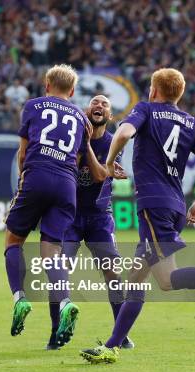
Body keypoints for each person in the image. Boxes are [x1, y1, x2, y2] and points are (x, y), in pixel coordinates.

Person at [80, 68, 195, 364]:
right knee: (137, 280)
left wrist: (108, 163)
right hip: (175, 206)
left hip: (154, 206)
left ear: (153, 90)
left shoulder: (146, 109)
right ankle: (113, 345)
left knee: (166, 280)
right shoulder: (193, 123)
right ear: (180, 93)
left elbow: (123, 132)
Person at [3, 64, 99, 346]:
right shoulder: (81, 118)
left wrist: (24, 182)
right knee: (51, 252)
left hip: (37, 175)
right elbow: (80, 160)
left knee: (13, 239)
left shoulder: (33, 105)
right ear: (72, 90)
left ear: (47, 85)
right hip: (67, 184)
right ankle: (66, 302)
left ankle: (19, 297)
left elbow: (23, 153)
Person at [54, 95, 131, 350]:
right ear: (86, 111)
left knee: (113, 273)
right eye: (94, 103)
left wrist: (87, 144)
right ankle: (56, 332)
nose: (99, 106)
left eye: (104, 104)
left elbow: (98, 176)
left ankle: (121, 334)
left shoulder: (112, 144)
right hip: (70, 216)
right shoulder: (71, 140)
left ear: (109, 117)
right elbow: (72, 171)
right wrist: (83, 141)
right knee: (58, 270)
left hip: (99, 217)